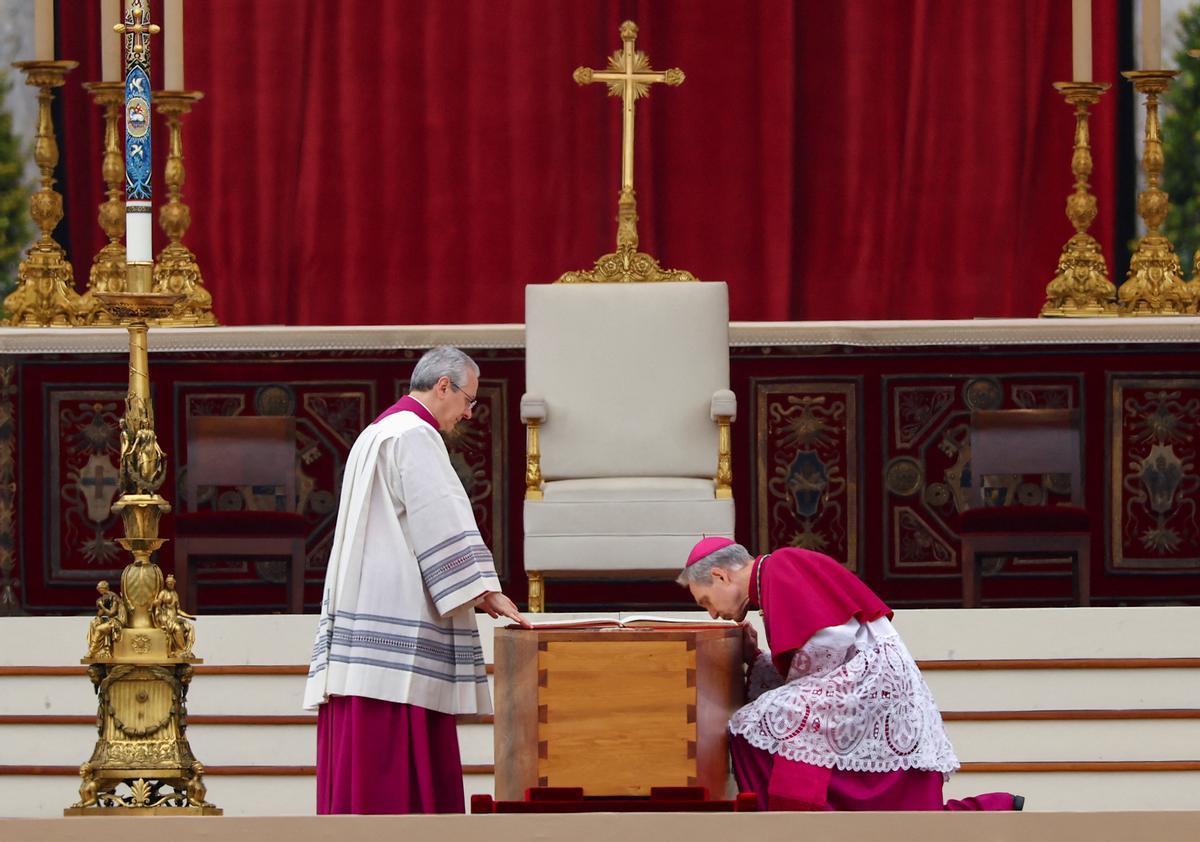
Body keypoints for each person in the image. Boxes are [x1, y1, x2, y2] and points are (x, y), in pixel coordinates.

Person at [303, 346, 529, 814]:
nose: (469, 411)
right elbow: (438, 515)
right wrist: (484, 590)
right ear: (442, 386)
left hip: (366, 601)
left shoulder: (377, 431)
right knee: (398, 720)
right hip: (397, 605)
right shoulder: (415, 435)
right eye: (468, 399)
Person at [677, 537, 1021, 812]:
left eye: (707, 600)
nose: (712, 615)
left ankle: (783, 822)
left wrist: (791, 692)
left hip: (870, 680)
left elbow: (832, 640)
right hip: (869, 679)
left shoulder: (778, 567)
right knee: (773, 718)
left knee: (749, 724)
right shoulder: (771, 575)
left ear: (721, 576)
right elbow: (818, 646)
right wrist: (760, 660)